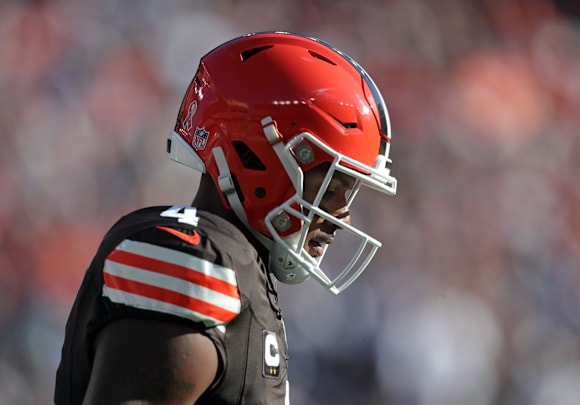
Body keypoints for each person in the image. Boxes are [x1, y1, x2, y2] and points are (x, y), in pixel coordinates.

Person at [54, 31, 397, 404]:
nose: (341, 214)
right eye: (330, 187)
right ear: (256, 156)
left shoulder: (241, 269)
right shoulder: (190, 258)